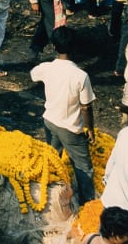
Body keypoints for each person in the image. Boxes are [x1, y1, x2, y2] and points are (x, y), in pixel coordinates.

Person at [31, 26, 96, 203]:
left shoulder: (47, 68)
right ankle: (87, 202)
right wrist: (89, 129)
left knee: (53, 157)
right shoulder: (81, 76)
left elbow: (33, 74)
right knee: (83, 167)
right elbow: (86, 107)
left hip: (50, 121)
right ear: (75, 48)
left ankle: (48, 193)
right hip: (71, 128)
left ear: (53, 46)